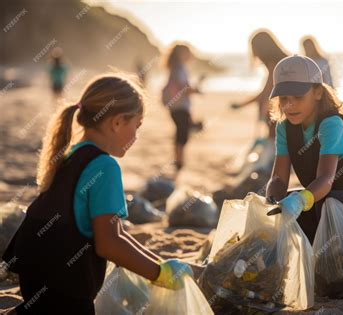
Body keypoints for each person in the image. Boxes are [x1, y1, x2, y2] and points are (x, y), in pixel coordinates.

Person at [3, 74, 193, 314]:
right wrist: (160, 275)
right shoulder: (105, 167)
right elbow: (108, 243)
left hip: (36, 279)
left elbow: (118, 232)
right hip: (67, 287)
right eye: (137, 125)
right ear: (116, 122)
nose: (136, 136)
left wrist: (159, 264)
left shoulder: (72, 154)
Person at [265, 55, 343, 244]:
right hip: (326, 197)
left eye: (298, 97)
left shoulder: (331, 124)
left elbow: (325, 179)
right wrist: (272, 202)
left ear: (317, 92)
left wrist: (300, 202)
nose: (289, 104)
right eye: (283, 98)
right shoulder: (284, 127)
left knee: (325, 204)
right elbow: (278, 179)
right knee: (286, 208)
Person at [230, 29, 289, 140]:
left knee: (275, 144)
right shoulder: (285, 60)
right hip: (292, 108)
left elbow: (269, 91)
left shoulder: (273, 64)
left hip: (280, 111)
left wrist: (262, 112)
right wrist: (242, 105)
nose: (255, 53)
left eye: (255, 49)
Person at [161, 43, 202, 171]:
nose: (190, 55)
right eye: (188, 52)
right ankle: (179, 161)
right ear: (181, 54)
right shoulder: (179, 68)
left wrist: (193, 89)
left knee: (181, 132)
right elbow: (183, 87)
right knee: (182, 133)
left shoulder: (176, 67)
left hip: (177, 106)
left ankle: (179, 160)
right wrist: (196, 90)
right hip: (179, 107)